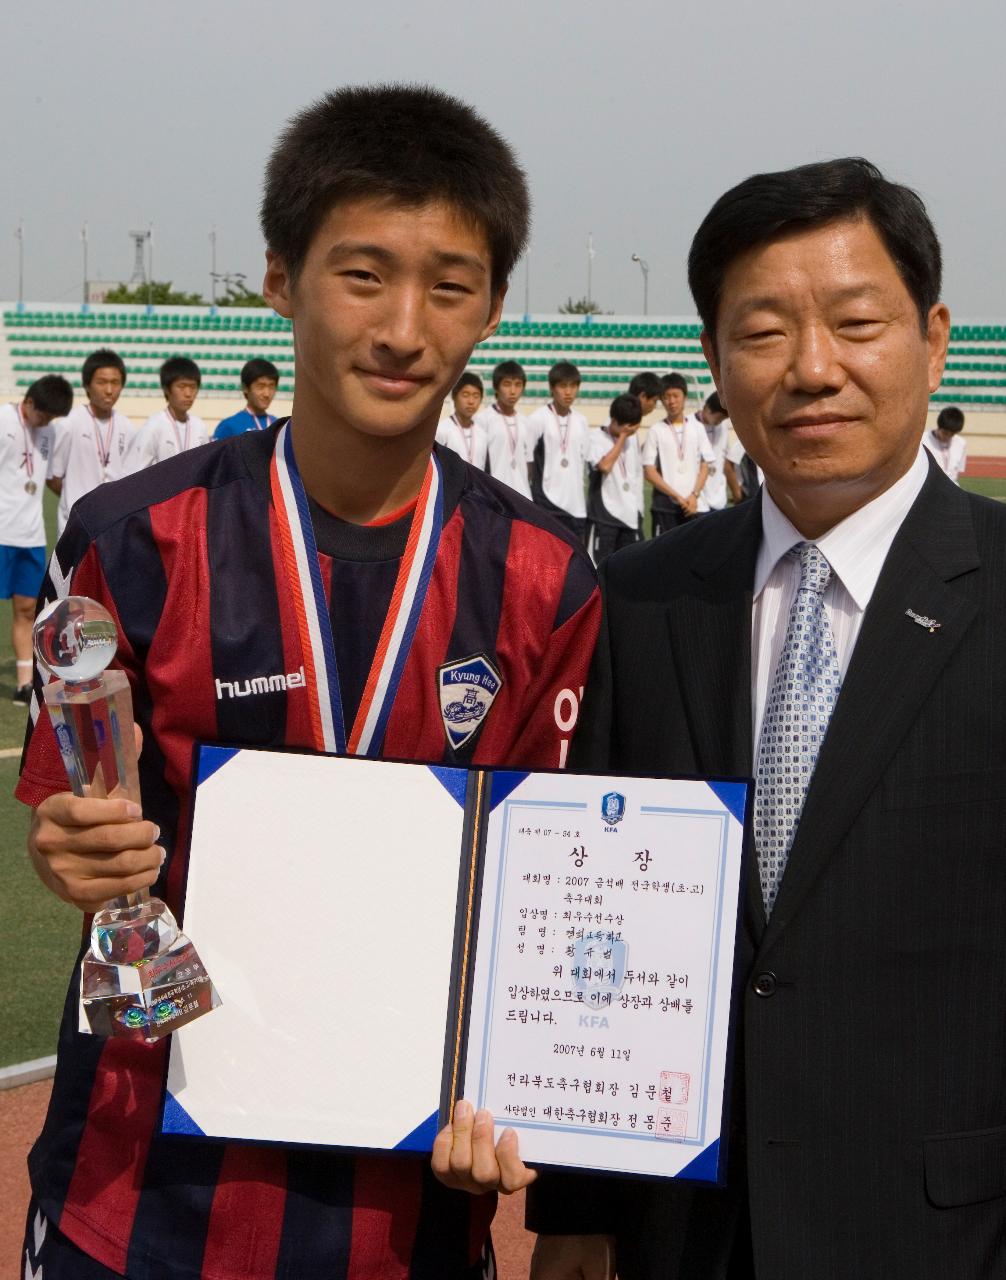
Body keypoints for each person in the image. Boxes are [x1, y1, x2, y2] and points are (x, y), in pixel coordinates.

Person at [17, 84, 599, 1280]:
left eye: (448, 285)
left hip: (412, 1206)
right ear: (280, 278)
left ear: (491, 305)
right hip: (139, 1200)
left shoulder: (548, 578)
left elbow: (555, 882)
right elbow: (77, 809)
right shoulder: (135, 540)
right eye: (362, 274)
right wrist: (73, 846)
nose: (402, 327)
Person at [526, 156, 1006, 1280]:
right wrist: (578, 1209)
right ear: (713, 362)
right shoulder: (644, 596)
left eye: (854, 321)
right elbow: (599, 926)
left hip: (944, 1232)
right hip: (683, 1233)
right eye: (762, 332)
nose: (811, 369)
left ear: (931, 339)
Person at [0, 376, 72, 703]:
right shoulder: (4, 420)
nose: (44, 422)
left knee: (27, 609)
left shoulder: (50, 432)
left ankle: (24, 682)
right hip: (1, 531)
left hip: (30, 535)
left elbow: (50, 479)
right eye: (42, 414)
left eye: (50, 418)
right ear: (28, 402)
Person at [49, 349, 133, 536]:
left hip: (113, 523)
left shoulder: (127, 426)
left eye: (115, 383)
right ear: (87, 385)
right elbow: (53, 477)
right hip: (75, 526)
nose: (109, 390)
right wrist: (76, 500)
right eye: (101, 382)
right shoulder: (68, 422)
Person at [642, 372, 715, 534]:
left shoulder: (697, 428)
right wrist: (676, 496)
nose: (672, 401)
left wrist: (694, 495)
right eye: (666, 397)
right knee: (663, 556)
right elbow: (649, 471)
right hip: (665, 507)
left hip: (694, 505)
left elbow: (705, 465)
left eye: (676, 396)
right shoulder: (656, 430)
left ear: (685, 397)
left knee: (694, 556)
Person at [527, 360, 592, 541]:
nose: (568, 392)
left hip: (577, 507)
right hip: (547, 504)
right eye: (563, 386)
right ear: (552, 388)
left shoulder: (581, 421)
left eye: (573, 386)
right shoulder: (538, 418)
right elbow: (528, 461)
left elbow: (584, 461)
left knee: (575, 566)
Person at [123, 356, 209, 471]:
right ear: (166, 389)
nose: (188, 394)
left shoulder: (199, 427)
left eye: (193, 387)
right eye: (181, 387)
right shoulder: (153, 427)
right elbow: (134, 472)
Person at [586, 393, 644, 563]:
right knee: (597, 570)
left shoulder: (633, 439)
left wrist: (638, 510)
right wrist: (623, 437)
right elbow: (604, 466)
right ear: (613, 419)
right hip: (603, 518)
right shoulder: (595, 437)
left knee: (628, 570)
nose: (632, 431)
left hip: (629, 517)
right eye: (628, 428)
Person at [476, 359, 534, 497]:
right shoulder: (483, 420)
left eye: (518, 385)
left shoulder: (526, 422)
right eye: (507, 384)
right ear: (496, 387)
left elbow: (529, 463)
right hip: (495, 497)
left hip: (523, 496)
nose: (513, 391)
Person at [693, 392, 744, 511]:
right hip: (699, 500)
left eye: (723, 419)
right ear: (707, 409)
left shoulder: (723, 427)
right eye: (719, 418)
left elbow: (724, 455)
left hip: (719, 498)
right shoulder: (690, 425)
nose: (720, 422)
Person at [212, 358, 281, 439]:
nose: (267, 394)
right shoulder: (229, 427)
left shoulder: (278, 426)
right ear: (245, 388)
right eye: (260, 386)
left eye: (271, 386)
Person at [436, 370, 488, 467]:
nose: (471, 401)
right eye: (465, 395)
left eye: (476, 396)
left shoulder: (482, 433)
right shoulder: (442, 430)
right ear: (454, 397)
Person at [922, 404, 968, 484]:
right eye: (945, 433)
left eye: (952, 434)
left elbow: (957, 471)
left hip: (952, 487)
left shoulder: (961, 443)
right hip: (928, 486)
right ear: (939, 426)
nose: (948, 437)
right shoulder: (923, 440)